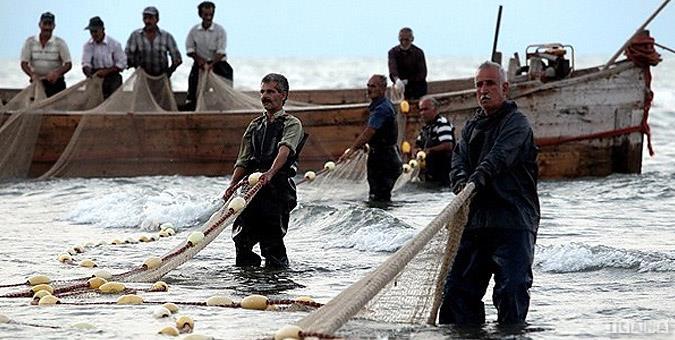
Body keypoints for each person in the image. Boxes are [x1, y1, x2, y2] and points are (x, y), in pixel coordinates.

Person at [439, 61, 540, 325]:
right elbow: (457, 160)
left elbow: (498, 158)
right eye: (479, 85)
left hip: (513, 220)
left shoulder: (517, 124)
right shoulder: (471, 127)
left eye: (490, 83)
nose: (484, 90)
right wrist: (461, 185)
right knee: (456, 295)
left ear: (505, 88)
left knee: (512, 290)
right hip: (475, 222)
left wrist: (474, 182)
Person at [223, 73, 306, 269]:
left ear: (283, 95)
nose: (265, 96)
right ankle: (247, 283)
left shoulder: (291, 123)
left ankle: (277, 284)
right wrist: (232, 186)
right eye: (262, 91)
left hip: (277, 190)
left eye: (271, 91)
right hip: (251, 192)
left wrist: (269, 173)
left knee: (272, 242)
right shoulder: (254, 126)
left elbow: (284, 151)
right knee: (242, 240)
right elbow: (242, 160)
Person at [339, 75, 402, 202]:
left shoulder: (381, 109)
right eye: (368, 86)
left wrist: (352, 150)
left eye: (373, 86)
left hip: (385, 160)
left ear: (383, 89)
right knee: (379, 196)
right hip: (386, 157)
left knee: (378, 197)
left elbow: (369, 131)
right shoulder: (381, 105)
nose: (369, 89)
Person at [184, 1, 233, 110]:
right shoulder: (194, 31)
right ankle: (191, 102)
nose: (208, 17)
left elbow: (221, 52)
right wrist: (200, 61)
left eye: (211, 14)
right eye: (205, 15)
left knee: (227, 78)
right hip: (200, 63)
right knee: (193, 82)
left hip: (218, 63)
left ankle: (226, 105)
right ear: (200, 15)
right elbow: (190, 49)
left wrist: (211, 64)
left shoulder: (220, 31)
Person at [20, 12, 72, 98]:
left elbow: (68, 64)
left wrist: (57, 73)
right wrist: (32, 75)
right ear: (40, 25)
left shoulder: (60, 43)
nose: (47, 27)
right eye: (45, 24)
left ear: (54, 26)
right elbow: (24, 63)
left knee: (56, 109)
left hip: (56, 84)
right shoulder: (30, 42)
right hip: (37, 82)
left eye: (50, 24)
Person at [125, 6, 182, 77]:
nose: (147, 21)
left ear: (157, 19)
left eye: (150, 18)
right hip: (141, 77)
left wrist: (169, 72)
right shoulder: (135, 35)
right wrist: (134, 65)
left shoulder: (166, 36)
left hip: (161, 77)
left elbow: (177, 59)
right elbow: (127, 55)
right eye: (145, 18)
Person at [81, 16, 127, 99]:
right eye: (91, 32)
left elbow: (122, 63)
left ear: (102, 29)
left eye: (96, 31)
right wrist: (88, 72)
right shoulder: (87, 45)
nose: (94, 34)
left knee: (114, 102)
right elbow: (85, 63)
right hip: (95, 77)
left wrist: (106, 71)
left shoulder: (114, 44)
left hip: (113, 77)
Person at [414, 95, 454, 186]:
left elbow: (448, 145)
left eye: (426, 109)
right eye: (421, 110)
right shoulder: (425, 128)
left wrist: (430, 150)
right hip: (430, 173)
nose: (422, 113)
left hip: (444, 172)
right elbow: (418, 145)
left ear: (435, 110)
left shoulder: (442, 124)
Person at [388, 27, 427, 100]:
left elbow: (422, 74)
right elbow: (393, 68)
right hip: (400, 86)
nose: (404, 42)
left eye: (406, 40)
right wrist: (397, 80)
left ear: (412, 39)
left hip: (416, 87)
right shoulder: (393, 52)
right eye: (401, 39)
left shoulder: (418, 53)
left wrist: (407, 81)